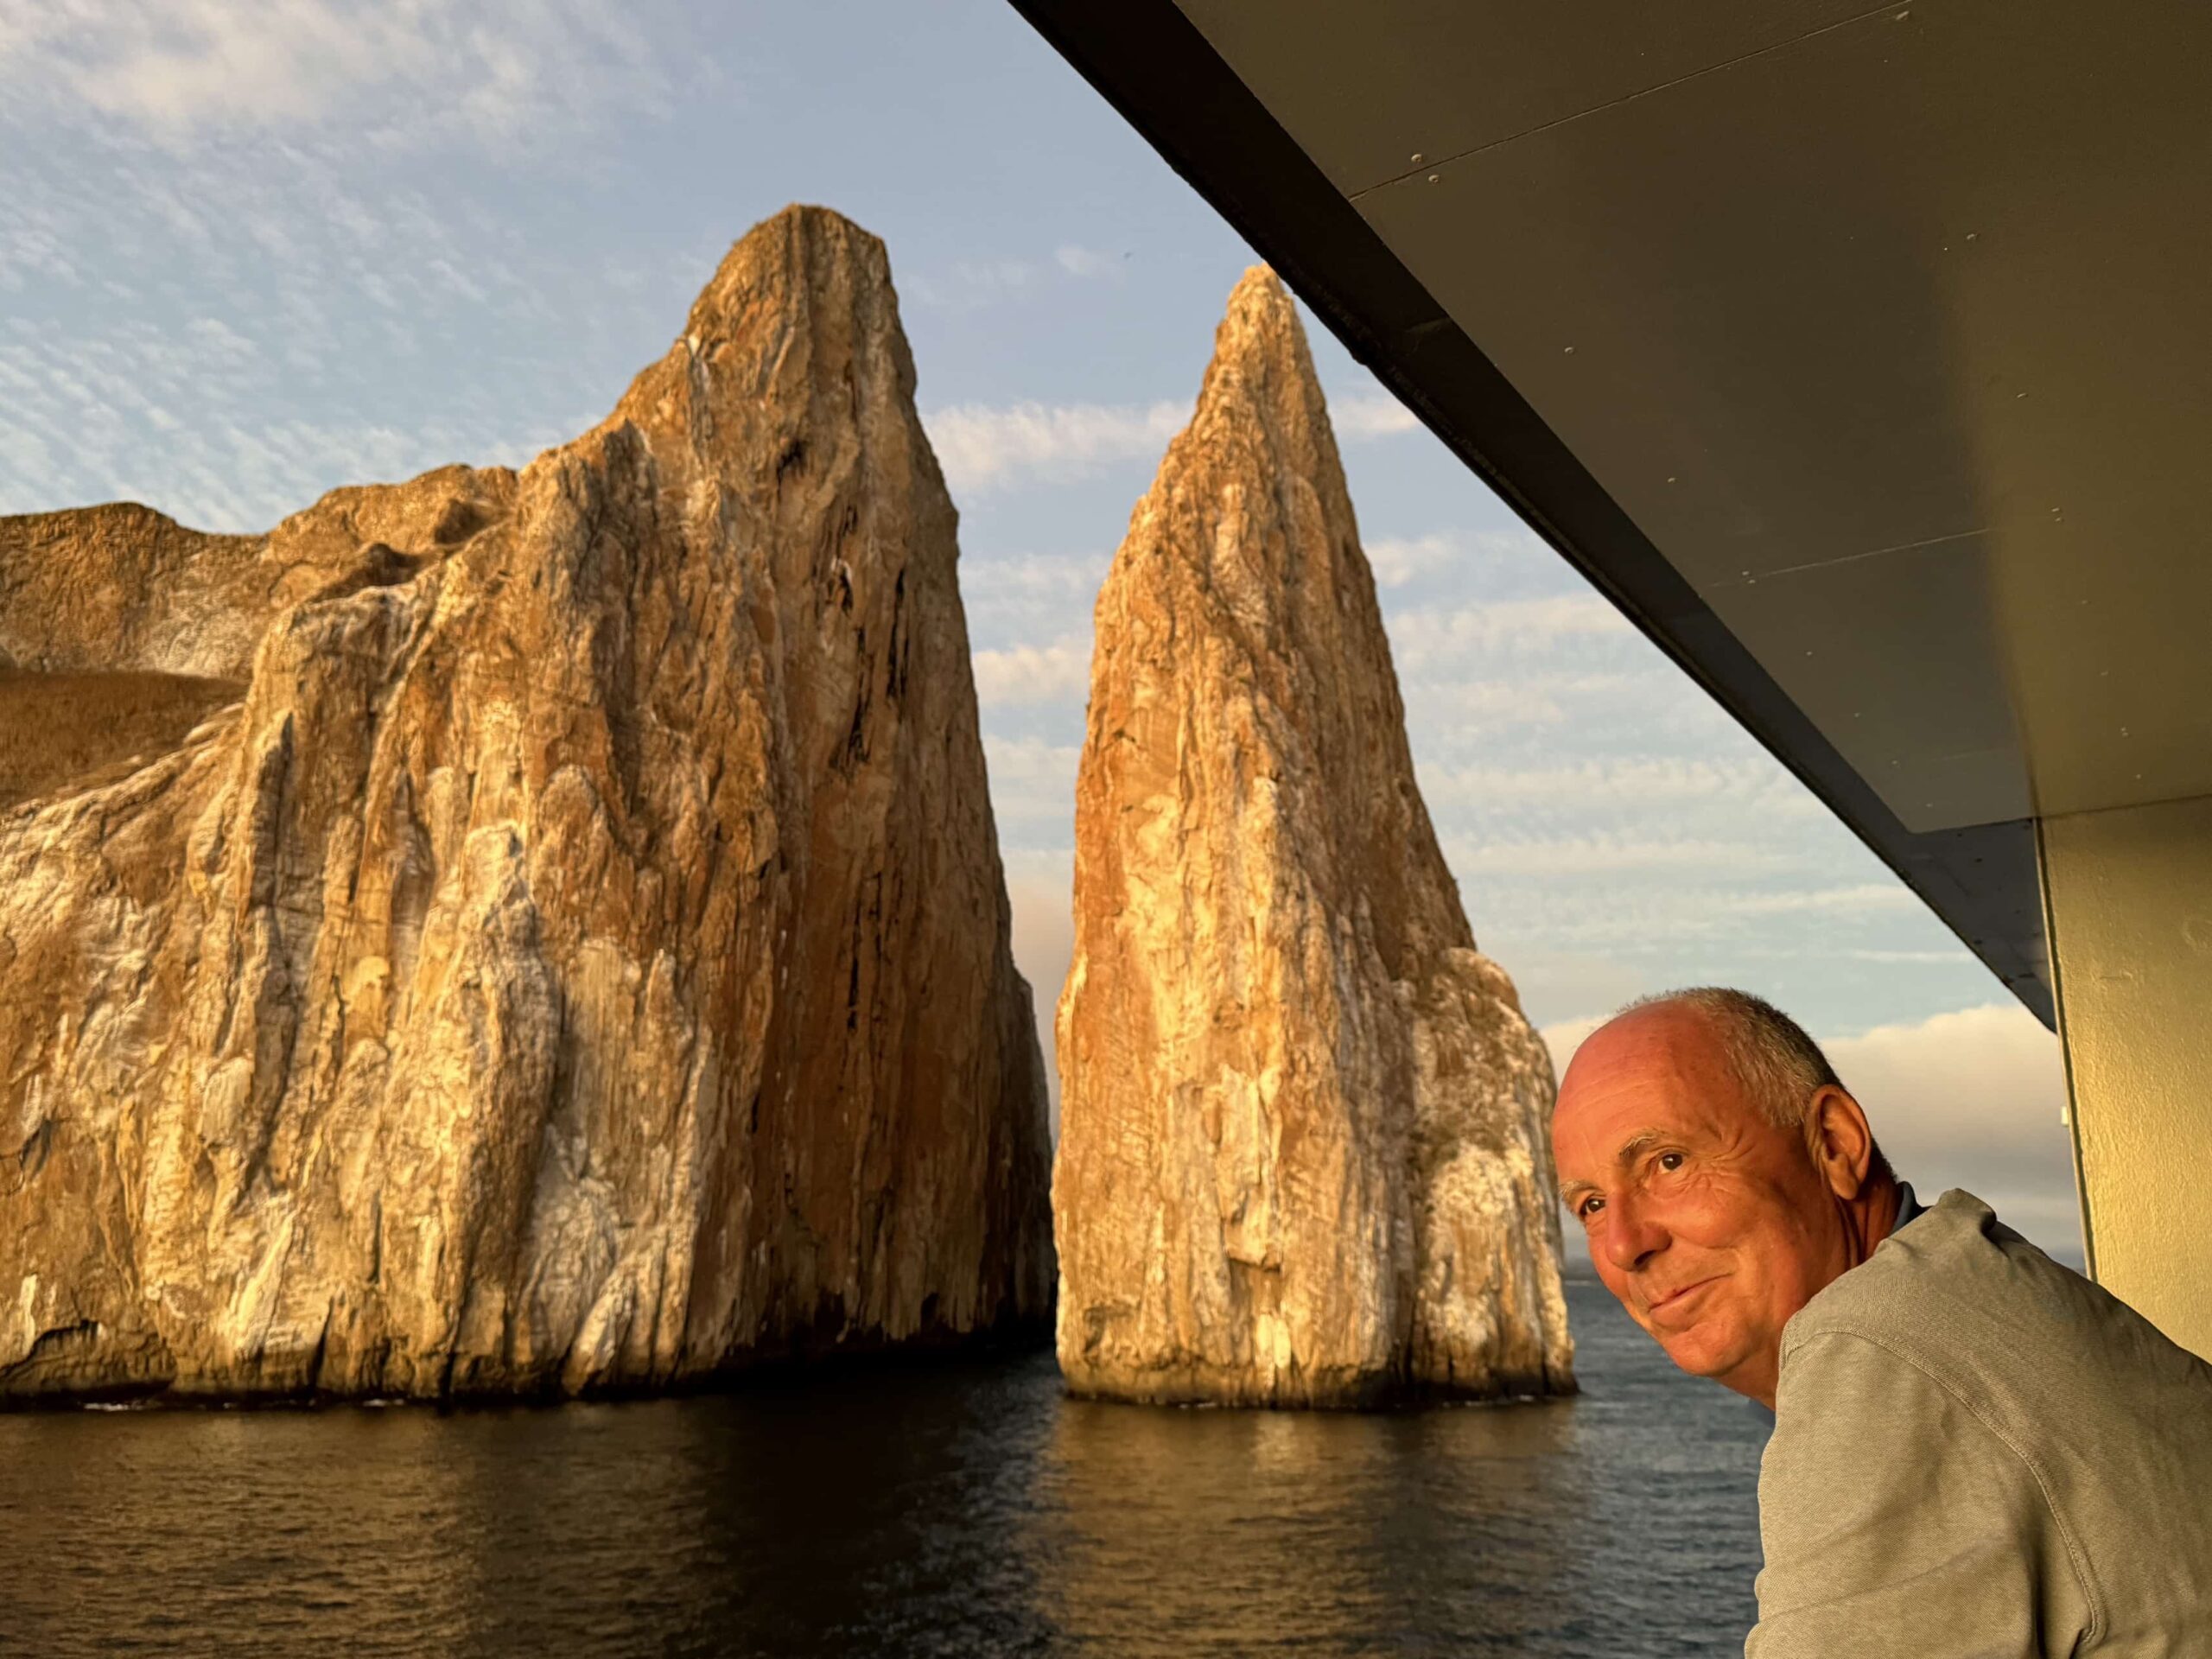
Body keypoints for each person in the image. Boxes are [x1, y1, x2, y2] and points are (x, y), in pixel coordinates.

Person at [1553, 986, 2212, 1656]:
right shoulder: (1971, 1290)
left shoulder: (1878, 1348)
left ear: (1835, 1144)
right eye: (1591, 1205)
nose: (1623, 1245)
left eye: (1669, 1163)